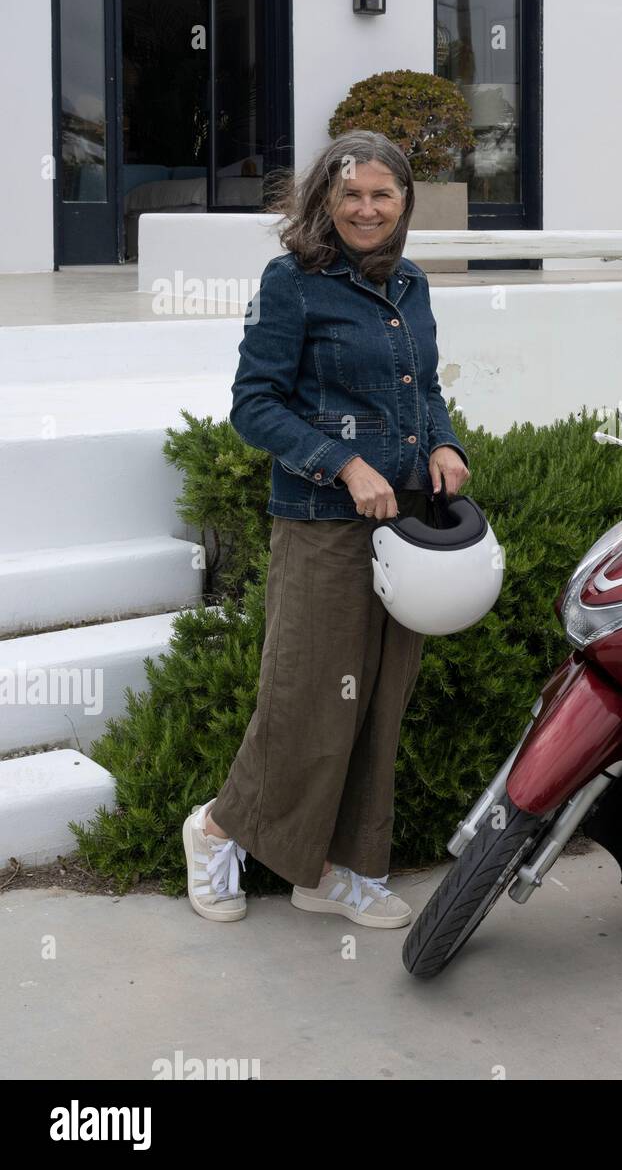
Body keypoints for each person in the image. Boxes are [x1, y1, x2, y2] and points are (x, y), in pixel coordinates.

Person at [182, 129, 470, 928]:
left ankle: (335, 871)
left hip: (406, 528)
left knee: (378, 700)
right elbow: (254, 405)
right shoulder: (293, 284)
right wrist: (342, 464)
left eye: (383, 195)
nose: (367, 209)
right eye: (352, 195)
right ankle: (216, 831)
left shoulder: (409, 283)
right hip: (322, 526)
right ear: (326, 200)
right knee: (308, 698)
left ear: (405, 203)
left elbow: (424, 391)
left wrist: (445, 442)